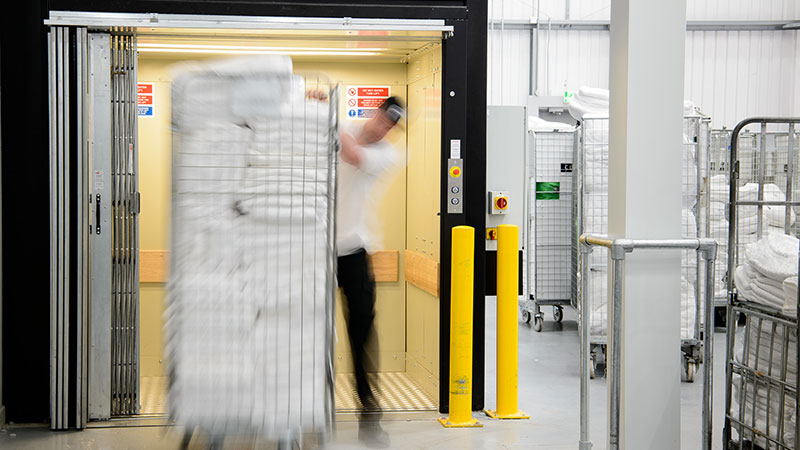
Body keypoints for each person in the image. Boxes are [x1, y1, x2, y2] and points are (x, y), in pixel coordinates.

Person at [336, 96, 404, 448]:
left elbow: (353, 155)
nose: (383, 130)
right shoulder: (343, 127)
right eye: (383, 120)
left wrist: (325, 115)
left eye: (390, 127)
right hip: (317, 250)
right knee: (307, 327)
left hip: (355, 251)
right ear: (375, 111)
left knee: (361, 332)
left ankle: (368, 410)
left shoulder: (388, 155)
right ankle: (307, 404)